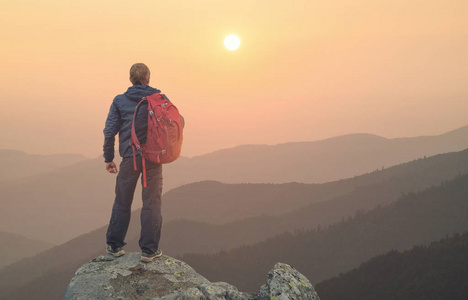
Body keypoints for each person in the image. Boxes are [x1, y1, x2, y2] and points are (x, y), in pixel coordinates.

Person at [103, 63, 176, 262]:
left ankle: (115, 246)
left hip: (129, 158)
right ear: (149, 78)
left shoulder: (119, 101)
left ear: (130, 79)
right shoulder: (160, 99)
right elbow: (177, 123)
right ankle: (149, 251)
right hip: (154, 158)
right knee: (152, 203)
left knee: (122, 201)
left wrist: (109, 158)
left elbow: (110, 131)